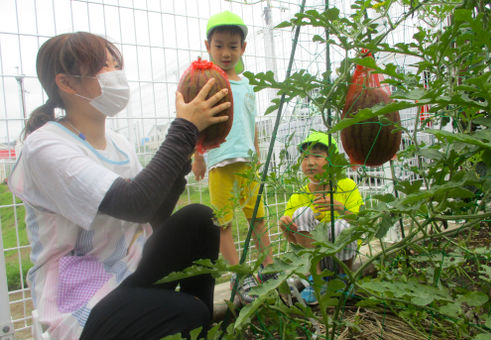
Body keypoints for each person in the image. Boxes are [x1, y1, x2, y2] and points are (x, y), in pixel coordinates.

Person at [8, 32, 231, 340]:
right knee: (187, 309)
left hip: (128, 273)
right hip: (82, 303)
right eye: (104, 66)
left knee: (199, 219)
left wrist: (188, 145)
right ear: (67, 83)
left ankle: (199, 331)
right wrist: (184, 129)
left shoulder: (120, 144)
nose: (117, 74)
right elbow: (134, 203)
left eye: (116, 64)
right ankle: (193, 315)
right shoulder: (45, 146)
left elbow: (153, 214)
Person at [191, 11, 276, 304]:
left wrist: (256, 151)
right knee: (223, 223)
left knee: (258, 216)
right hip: (219, 162)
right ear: (208, 46)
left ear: (243, 48)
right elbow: (196, 122)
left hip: (247, 162)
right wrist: (197, 155)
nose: (226, 52)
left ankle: (269, 268)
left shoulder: (247, 85)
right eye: (219, 45)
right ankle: (239, 276)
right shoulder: (206, 83)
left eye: (233, 46)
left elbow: (251, 121)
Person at [279, 131, 364, 305]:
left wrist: (340, 208)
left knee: (341, 226)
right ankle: (316, 282)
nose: (310, 162)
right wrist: (286, 228)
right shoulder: (298, 196)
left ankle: (343, 281)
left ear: (333, 160)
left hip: (341, 258)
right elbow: (294, 242)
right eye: (305, 157)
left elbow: (361, 224)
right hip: (313, 261)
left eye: (317, 156)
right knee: (302, 212)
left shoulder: (346, 186)